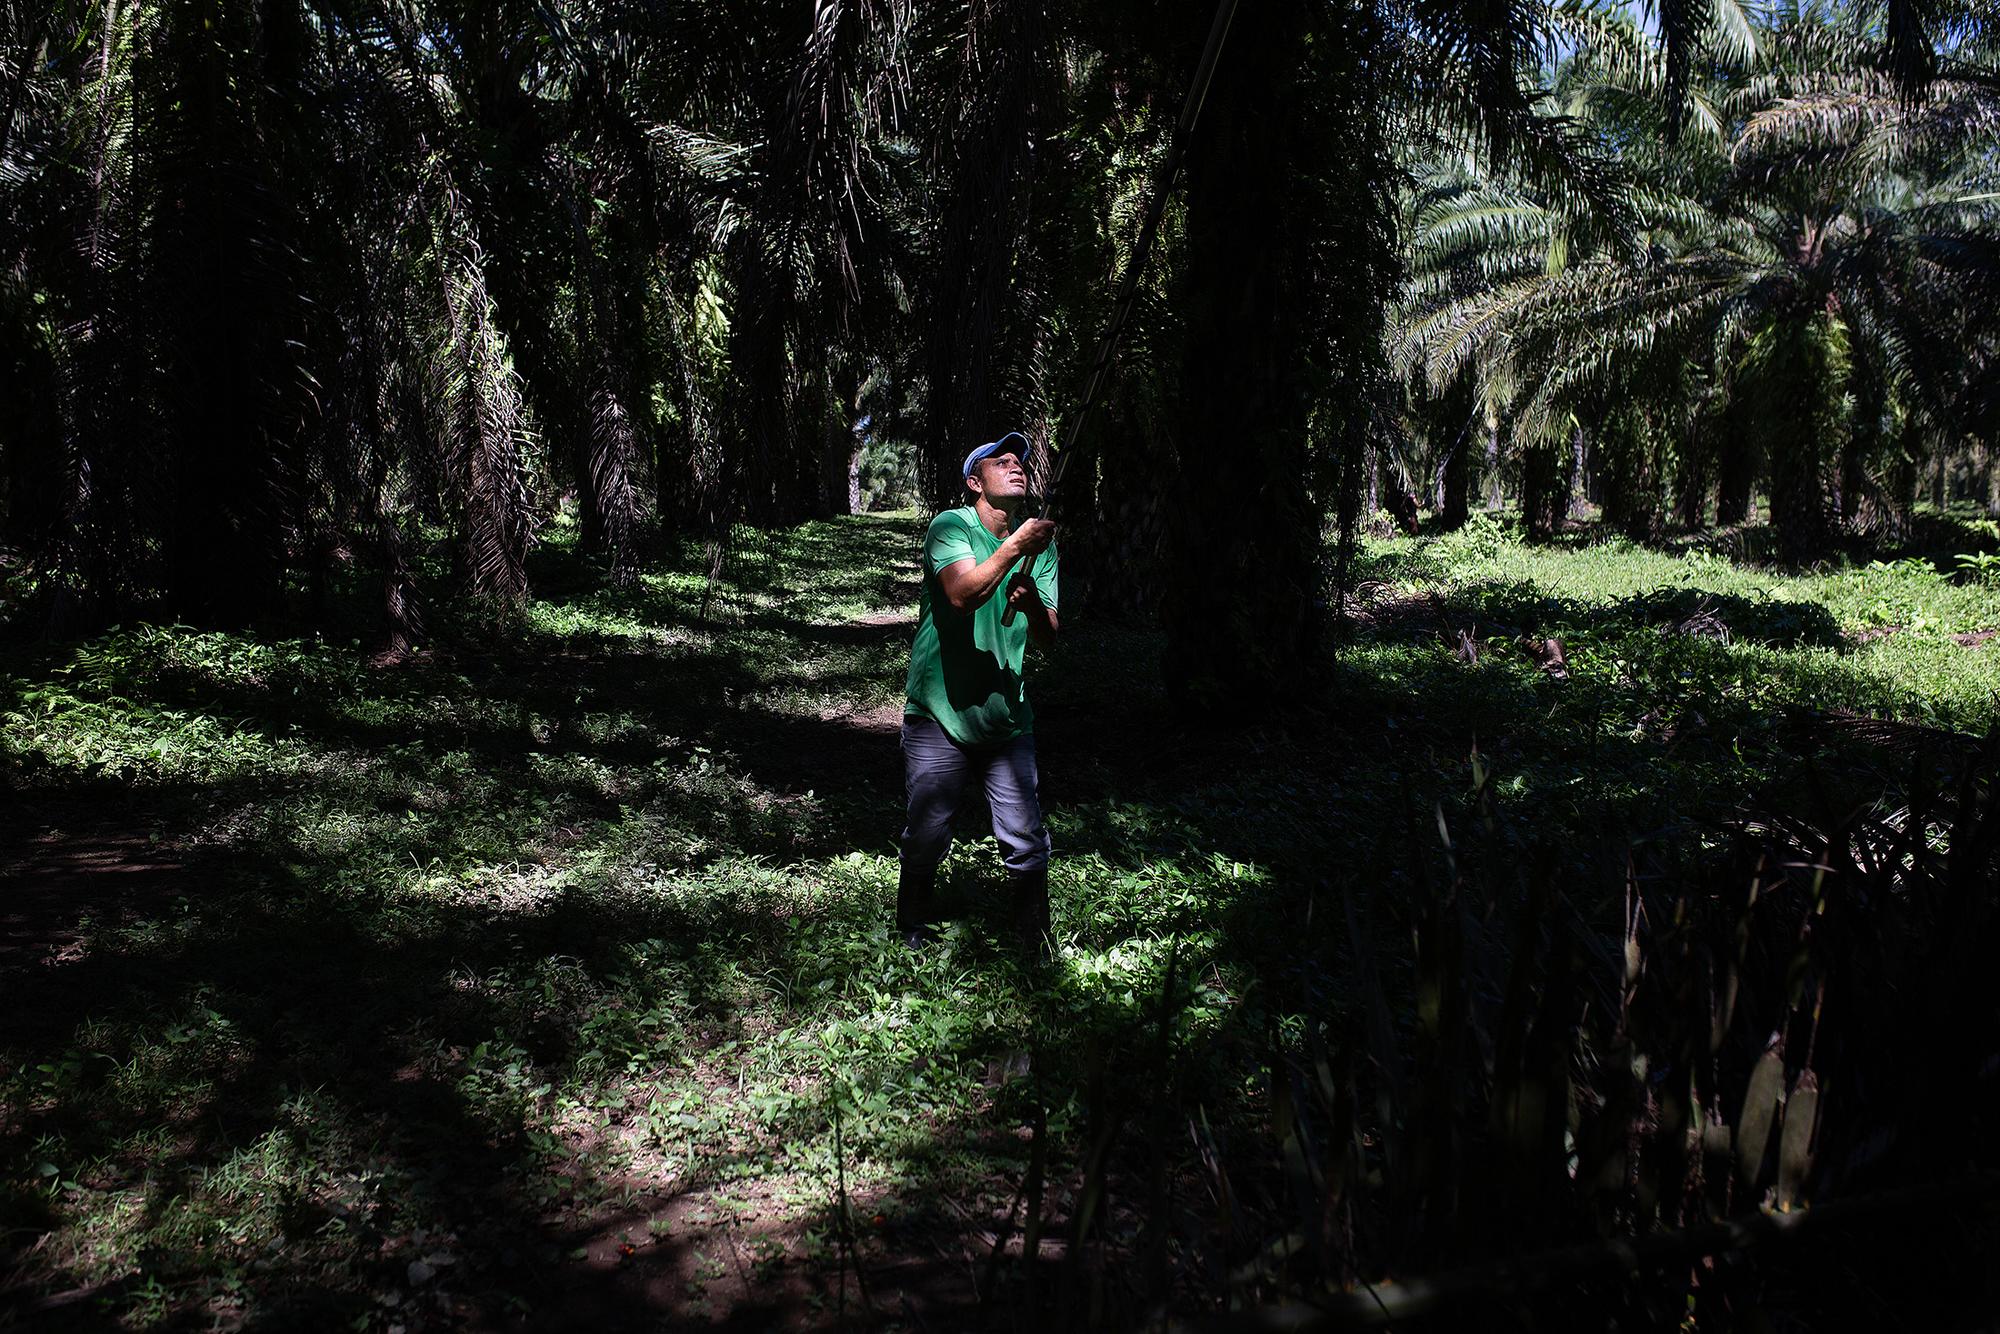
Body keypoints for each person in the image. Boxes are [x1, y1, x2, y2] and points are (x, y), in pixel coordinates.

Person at [897, 430, 1060, 953]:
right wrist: (1016, 547)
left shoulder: (1043, 543)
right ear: (975, 482)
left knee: (1025, 838)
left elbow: (1049, 637)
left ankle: (1032, 944)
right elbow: (962, 593)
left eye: (1022, 463)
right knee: (927, 835)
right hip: (939, 712)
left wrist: (1032, 601)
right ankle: (912, 931)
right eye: (1002, 461)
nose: (1017, 467)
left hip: (1006, 717)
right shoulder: (952, 525)